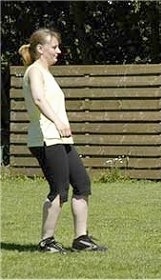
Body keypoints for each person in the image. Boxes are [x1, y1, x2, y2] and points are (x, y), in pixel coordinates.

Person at [18, 28, 107, 254]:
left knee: (82, 184)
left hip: (60, 139)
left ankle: (81, 239)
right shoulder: (35, 71)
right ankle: (46, 242)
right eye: (54, 47)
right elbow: (38, 98)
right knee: (58, 190)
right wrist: (57, 121)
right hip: (46, 138)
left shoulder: (46, 72)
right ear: (40, 49)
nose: (59, 51)